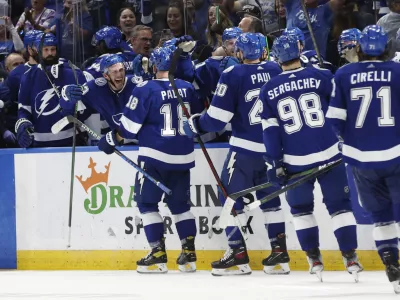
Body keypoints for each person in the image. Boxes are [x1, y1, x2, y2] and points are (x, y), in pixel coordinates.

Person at [184, 33, 289, 276]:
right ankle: (279, 255)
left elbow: (217, 120)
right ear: (264, 51)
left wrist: (197, 124)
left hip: (244, 152)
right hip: (274, 151)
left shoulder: (233, 74)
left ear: (239, 53)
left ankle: (237, 254)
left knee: (229, 199)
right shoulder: (276, 69)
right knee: (271, 200)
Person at [260, 34, 362, 281]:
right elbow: (341, 111)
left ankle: (314, 257)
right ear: (300, 49)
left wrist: (276, 163)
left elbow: (271, 132)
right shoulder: (322, 76)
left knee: (301, 210)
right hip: (330, 153)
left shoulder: (268, 89)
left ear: (277, 58)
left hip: (296, 162)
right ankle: (350, 256)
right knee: (340, 208)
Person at [97, 46, 204, 274]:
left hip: (154, 157)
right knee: (180, 206)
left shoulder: (146, 89)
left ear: (153, 66)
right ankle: (189, 255)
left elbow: (128, 129)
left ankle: (157, 255)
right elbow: (197, 118)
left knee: (147, 204)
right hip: (184, 155)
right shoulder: (185, 87)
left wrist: (110, 138)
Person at [326, 25, 400, 293]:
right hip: (396, 154)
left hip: (361, 160)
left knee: (381, 217)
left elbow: (334, 119)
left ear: (359, 47)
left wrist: (349, 141)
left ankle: (392, 268)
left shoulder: (344, 73)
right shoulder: (397, 71)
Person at [15, 33, 87, 148]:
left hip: (71, 141)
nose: (50, 53)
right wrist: (22, 123)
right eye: (46, 49)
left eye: (53, 49)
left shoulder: (73, 73)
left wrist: (72, 107)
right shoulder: (28, 76)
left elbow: (86, 108)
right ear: (38, 50)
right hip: (38, 144)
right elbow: (24, 108)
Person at [60, 54, 141, 137]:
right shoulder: (95, 88)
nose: (119, 74)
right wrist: (66, 96)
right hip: (119, 141)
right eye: (114, 72)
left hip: (143, 140)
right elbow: (67, 111)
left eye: (121, 70)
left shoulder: (137, 84)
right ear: (106, 76)